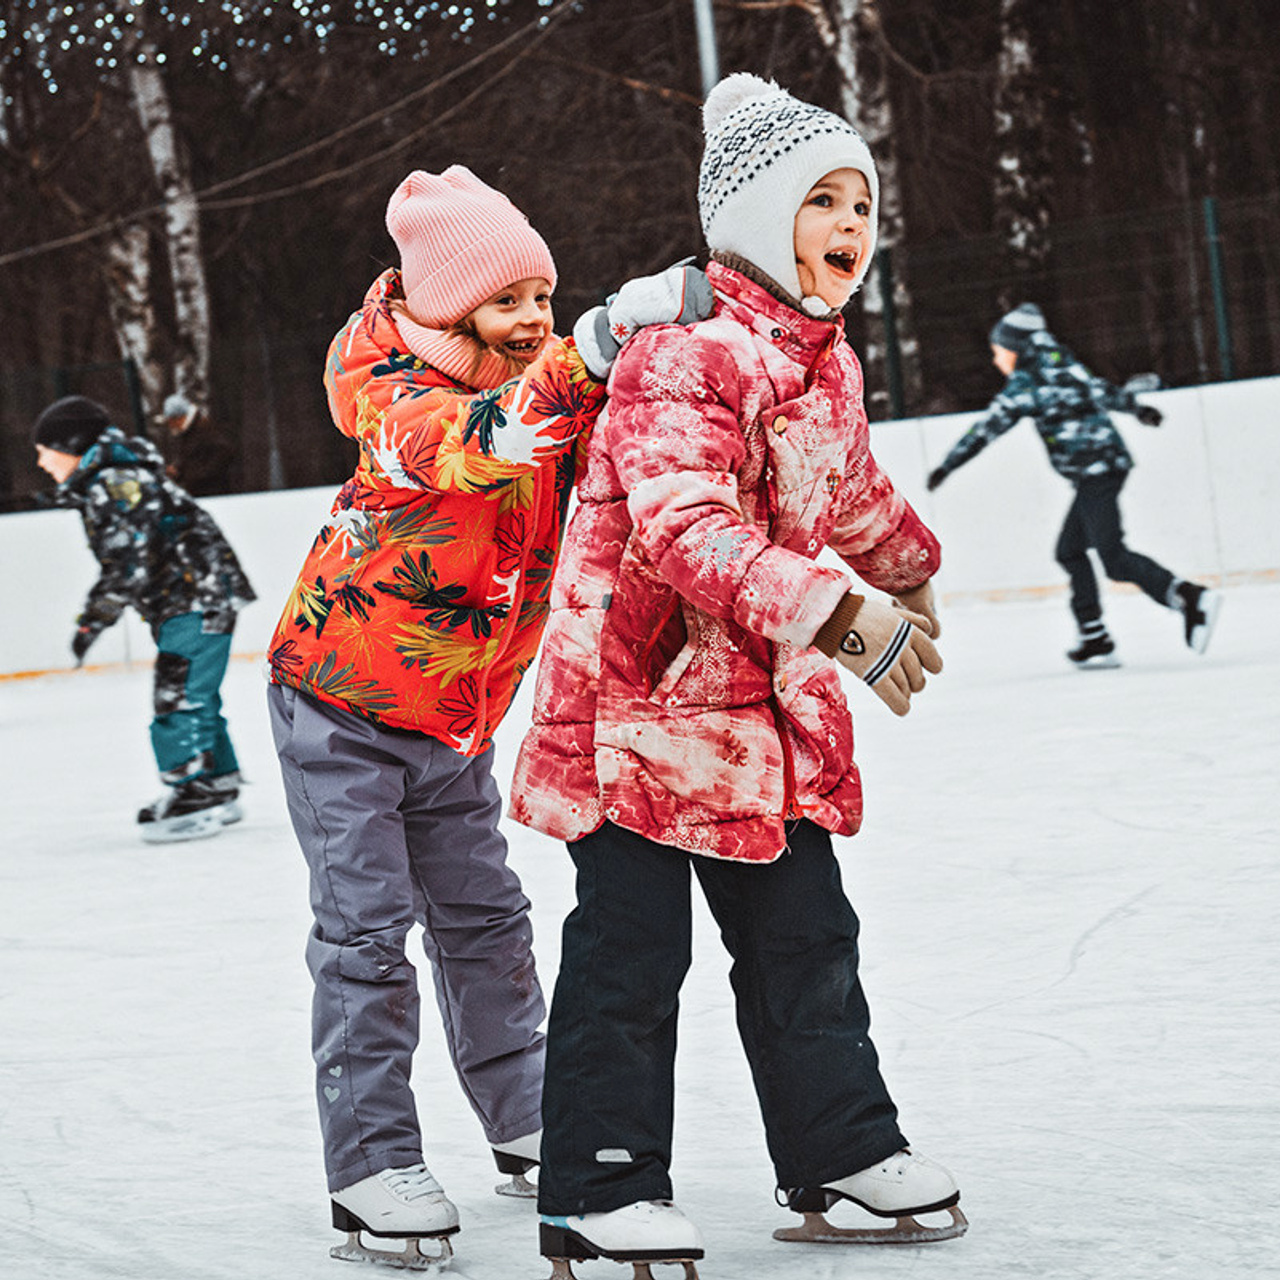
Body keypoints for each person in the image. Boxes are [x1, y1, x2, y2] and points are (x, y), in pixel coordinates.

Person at [509, 74, 964, 1278]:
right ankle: (599, 1187)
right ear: (759, 218)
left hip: (756, 716)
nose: (849, 224)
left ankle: (840, 1152)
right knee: (630, 951)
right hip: (634, 709)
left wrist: (905, 565)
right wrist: (836, 614)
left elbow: (847, 489)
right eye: (821, 200)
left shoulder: (822, 361)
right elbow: (680, 525)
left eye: (860, 203)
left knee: (805, 936)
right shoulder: (680, 354)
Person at [264, 165, 712, 1271]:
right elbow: (476, 441)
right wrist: (592, 342)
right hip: (339, 705)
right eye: (506, 301)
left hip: (456, 721)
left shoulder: (545, 385)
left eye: (543, 299)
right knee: (366, 935)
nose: (530, 319)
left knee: (486, 921)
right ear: (446, 305)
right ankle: (371, 1163)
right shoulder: (387, 388)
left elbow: (613, 447)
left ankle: (525, 1118)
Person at [927, 302, 1222, 667]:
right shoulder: (1066, 366)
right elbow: (1102, 390)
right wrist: (1138, 409)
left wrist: (947, 466)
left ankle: (1188, 597)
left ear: (1016, 348)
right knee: (1070, 550)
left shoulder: (1026, 384)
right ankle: (1094, 637)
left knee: (1113, 558)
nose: (997, 359)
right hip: (1104, 467)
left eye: (1000, 350)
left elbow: (987, 428)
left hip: (1096, 473)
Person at [31, 394, 255, 842]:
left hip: (195, 597)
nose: (40, 462)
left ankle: (192, 793)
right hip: (199, 595)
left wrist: (91, 622)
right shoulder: (114, 477)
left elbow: (125, 564)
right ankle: (217, 782)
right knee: (194, 693)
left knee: (177, 695)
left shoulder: (114, 482)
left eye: (45, 451)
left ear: (71, 446)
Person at [159, 391, 236, 497]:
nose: (171, 426)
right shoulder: (188, 433)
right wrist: (177, 469)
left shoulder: (204, 430)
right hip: (200, 492)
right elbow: (191, 457)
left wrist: (197, 475)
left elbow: (225, 451)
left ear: (179, 417)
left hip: (214, 493)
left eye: (171, 422)